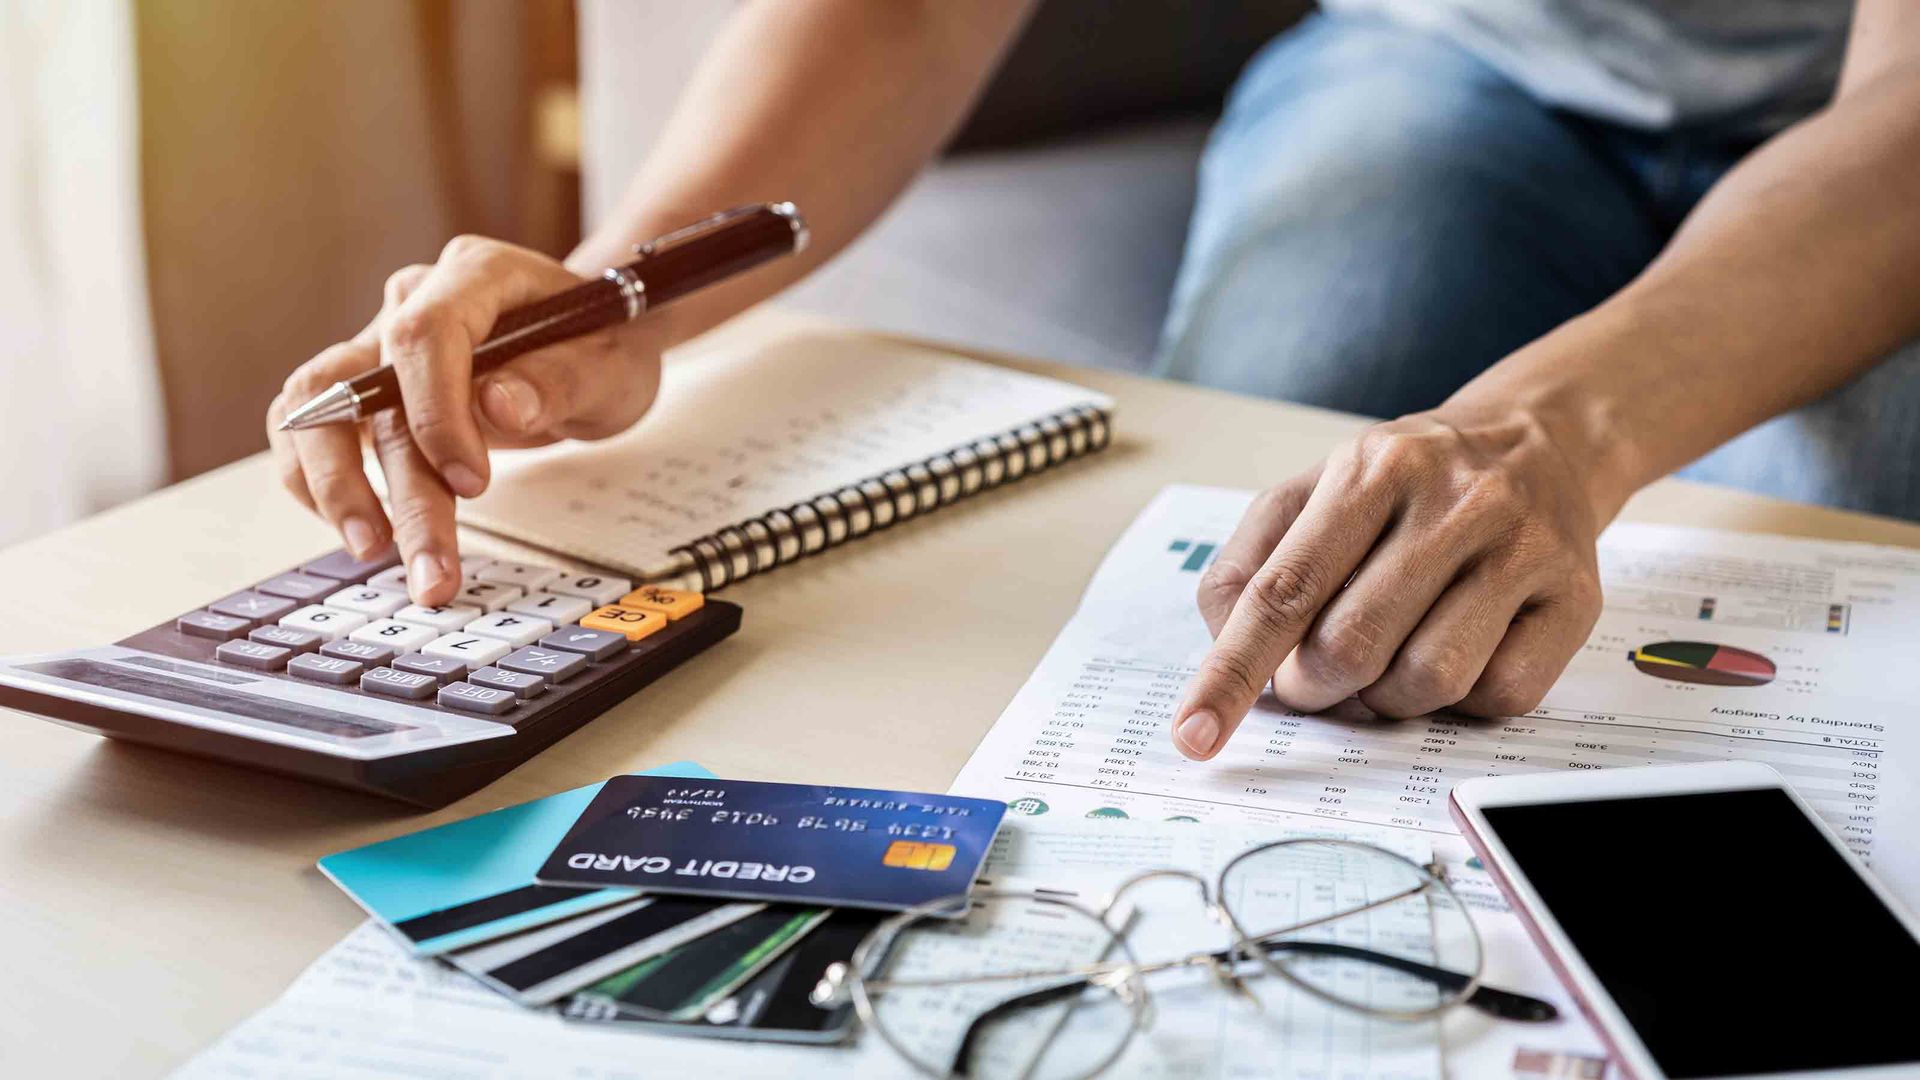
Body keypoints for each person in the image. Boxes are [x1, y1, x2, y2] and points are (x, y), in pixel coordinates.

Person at [268, 1, 1920, 766]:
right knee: (1277, 456)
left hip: (1876, 116)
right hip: (1453, 52)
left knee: (1861, 507)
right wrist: (623, 287)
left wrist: (1560, 426)